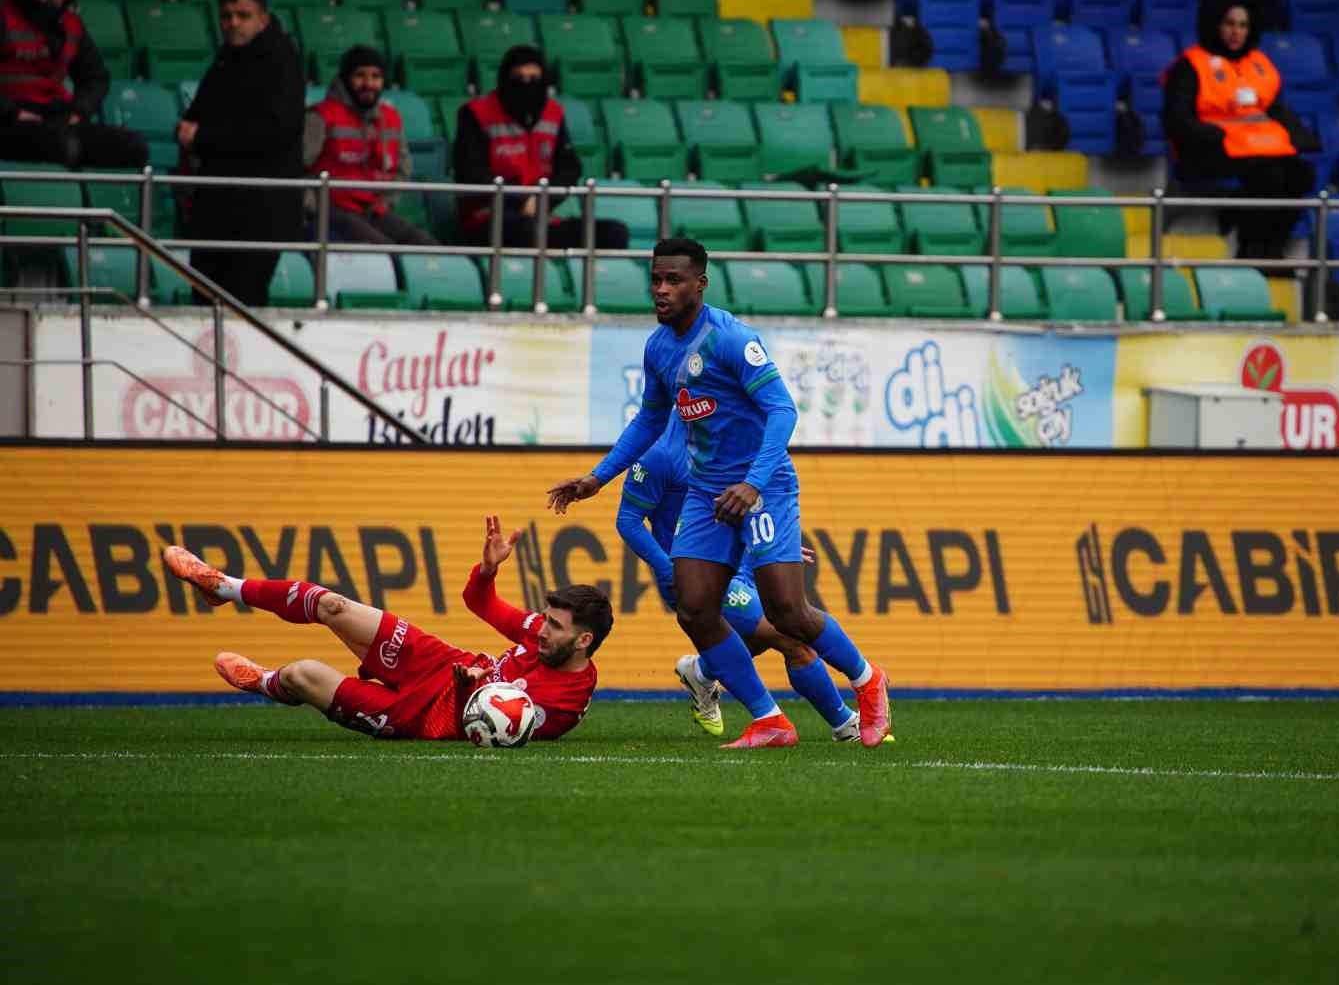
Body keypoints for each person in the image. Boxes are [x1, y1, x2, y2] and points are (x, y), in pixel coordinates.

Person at [548, 237, 892, 750]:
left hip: (764, 485)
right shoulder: (659, 347)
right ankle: (769, 719)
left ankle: (868, 682)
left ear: (700, 285)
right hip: (708, 491)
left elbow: (783, 410)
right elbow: (650, 418)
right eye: (656, 280)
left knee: (787, 613)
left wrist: (753, 484)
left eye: (674, 281)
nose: (661, 290)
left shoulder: (731, 339)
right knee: (694, 607)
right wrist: (599, 477)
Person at [161, 514, 610, 743]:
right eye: (545, 620)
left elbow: (500, 728)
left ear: (583, 640)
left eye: (554, 626)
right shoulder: (540, 634)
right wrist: (487, 571)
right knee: (333, 604)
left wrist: (476, 692)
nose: (541, 630)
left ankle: (264, 682)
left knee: (303, 674)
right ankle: (224, 587)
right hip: (441, 663)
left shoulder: (563, 704)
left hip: (424, 718)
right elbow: (479, 602)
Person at [615, 414, 868, 742]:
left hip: (741, 560)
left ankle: (702, 671)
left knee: (768, 633)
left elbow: (744, 506)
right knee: (788, 637)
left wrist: (774, 549)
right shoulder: (661, 454)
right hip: (697, 572)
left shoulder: (730, 446)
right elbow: (628, 521)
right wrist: (668, 569)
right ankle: (845, 724)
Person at [1162, 0, 1319, 262]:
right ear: (1215, 25)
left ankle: (1273, 249)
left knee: (1301, 174)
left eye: (1243, 25)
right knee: (1270, 177)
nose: (1236, 32)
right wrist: (1214, 134)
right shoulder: (1191, 65)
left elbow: (1276, 109)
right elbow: (1176, 119)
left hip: (1255, 148)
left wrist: (1301, 137)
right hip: (1208, 151)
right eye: (1229, 24)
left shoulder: (1259, 64)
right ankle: (1252, 250)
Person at [179, 0, 304, 307]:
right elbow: (198, 112)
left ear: (263, 18)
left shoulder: (281, 62)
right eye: (226, 16)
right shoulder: (227, 58)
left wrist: (203, 137)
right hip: (218, 204)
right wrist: (187, 128)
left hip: (260, 208)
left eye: (243, 15)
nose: (233, 23)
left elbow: (277, 131)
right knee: (205, 300)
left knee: (243, 303)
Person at [454, 45, 627, 251]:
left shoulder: (553, 113)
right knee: (527, 230)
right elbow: (471, 173)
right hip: (488, 217)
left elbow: (569, 169)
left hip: (540, 215)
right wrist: (519, 202)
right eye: (519, 77)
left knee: (613, 233)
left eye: (534, 78)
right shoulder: (475, 113)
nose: (526, 84)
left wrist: (542, 201)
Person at [0, 0, 147, 168]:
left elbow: (96, 77)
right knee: (62, 144)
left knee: (134, 146)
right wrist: (12, 112)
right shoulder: (3, 16)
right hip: (9, 121)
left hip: (56, 118)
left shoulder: (72, 25)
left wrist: (80, 110)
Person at [304, 45, 437, 246]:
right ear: (346, 78)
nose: (369, 83)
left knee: (428, 247)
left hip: (374, 211)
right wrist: (313, 209)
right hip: (331, 211)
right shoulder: (320, 116)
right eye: (360, 75)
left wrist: (385, 202)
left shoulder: (391, 117)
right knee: (386, 252)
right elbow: (296, 167)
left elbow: (402, 169)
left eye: (376, 76)